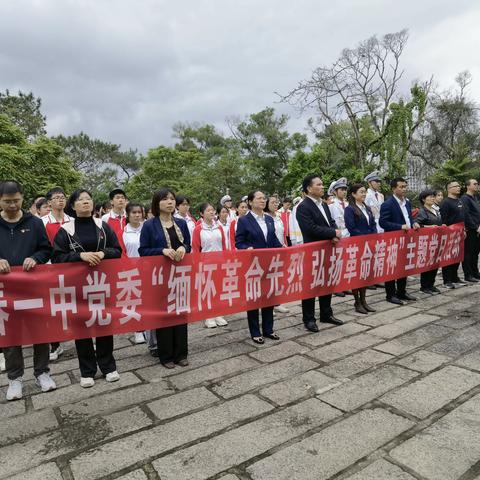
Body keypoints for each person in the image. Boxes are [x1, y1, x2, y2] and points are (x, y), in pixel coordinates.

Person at [52, 189, 122, 388]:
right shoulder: (65, 230)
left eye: (89, 199)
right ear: (72, 206)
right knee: (81, 328)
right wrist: (79, 256)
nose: (85, 202)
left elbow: (117, 251)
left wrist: (102, 253)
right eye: (81, 200)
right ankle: (87, 370)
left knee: (104, 325)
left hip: (101, 284)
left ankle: (108, 366)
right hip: (78, 287)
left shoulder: (103, 226)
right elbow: (57, 257)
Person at [0, 181, 56, 400]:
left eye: (16, 200)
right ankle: (15, 378)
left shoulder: (34, 223)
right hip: (5, 290)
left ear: (23, 198)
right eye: (7, 201)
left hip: (33, 287)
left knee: (40, 331)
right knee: (10, 334)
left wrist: (35, 258)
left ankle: (42, 372)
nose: (12, 205)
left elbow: (46, 249)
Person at [139, 188, 191, 369]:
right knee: (164, 315)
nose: (170, 202)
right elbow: (143, 250)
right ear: (157, 203)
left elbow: (188, 245)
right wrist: (161, 251)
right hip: (160, 277)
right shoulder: (149, 225)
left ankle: (181, 353)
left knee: (180, 313)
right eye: (165, 199)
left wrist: (184, 248)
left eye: (172, 199)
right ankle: (166, 355)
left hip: (180, 275)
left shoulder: (181, 223)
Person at [296, 174, 343, 332]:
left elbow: (331, 222)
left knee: (326, 282)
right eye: (319, 184)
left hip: (327, 250)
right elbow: (310, 229)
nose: (323, 187)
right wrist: (332, 233)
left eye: (323, 184)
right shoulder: (303, 207)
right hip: (312, 252)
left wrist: (334, 233)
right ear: (309, 188)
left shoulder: (323, 204)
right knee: (311, 286)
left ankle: (326, 313)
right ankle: (308, 318)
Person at [236, 191, 283, 344]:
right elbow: (239, 242)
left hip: (269, 264)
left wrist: (282, 247)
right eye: (259, 198)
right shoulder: (244, 220)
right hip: (253, 265)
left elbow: (273, 239)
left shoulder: (269, 219)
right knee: (254, 298)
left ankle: (269, 329)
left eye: (264, 198)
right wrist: (246, 248)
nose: (263, 200)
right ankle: (255, 331)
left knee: (269, 296)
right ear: (250, 202)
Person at [42, 187, 72, 361]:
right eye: (56, 198)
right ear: (49, 202)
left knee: (75, 302)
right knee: (52, 307)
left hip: (70, 267)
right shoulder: (42, 222)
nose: (60, 200)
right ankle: (55, 344)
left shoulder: (72, 220)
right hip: (49, 268)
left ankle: (85, 338)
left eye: (63, 197)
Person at [379, 177, 420, 305]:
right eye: (401, 187)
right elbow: (383, 222)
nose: (404, 189)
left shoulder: (407, 202)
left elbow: (408, 218)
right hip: (393, 240)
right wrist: (399, 227)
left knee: (404, 265)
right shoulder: (388, 204)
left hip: (406, 239)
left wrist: (414, 223)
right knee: (391, 267)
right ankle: (390, 294)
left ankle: (402, 291)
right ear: (393, 188)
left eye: (405, 186)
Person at [192, 202, 228, 328]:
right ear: (202, 214)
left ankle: (218, 313)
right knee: (207, 289)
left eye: (212, 210)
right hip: (205, 264)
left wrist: (225, 260)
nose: (212, 212)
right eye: (208, 211)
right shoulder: (198, 229)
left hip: (219, 263)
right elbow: (196, 249)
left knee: (218, 288)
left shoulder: (219, 228)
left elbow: (223, 245)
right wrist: (197, 265)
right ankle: (208, 316)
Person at [344, 183, 377, 314]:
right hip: (357, 245)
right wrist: (365, 238)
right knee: (357, 273)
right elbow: (351, 228)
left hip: (369, 245)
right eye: (361, 192)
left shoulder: (367, 208)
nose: (364, 194)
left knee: (365, 272)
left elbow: (373, 224)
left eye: (364, 192)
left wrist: (373, 236)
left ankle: (364, 300)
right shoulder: (350, 209)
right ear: (353, 194)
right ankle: (357, 301)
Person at [123, 202, 147, 344]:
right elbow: (122, 253)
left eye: (139, 212)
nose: (137, 215)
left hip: (148, 269)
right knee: (134, 300)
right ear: (128, 215)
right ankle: (138, 330)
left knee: (148, 300)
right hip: (131, 271)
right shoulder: (123, 232)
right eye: (134, 213)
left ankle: (149, 328)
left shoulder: (147, 229)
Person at [265, 195, 290, 314]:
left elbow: (283, 234)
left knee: (278, 278)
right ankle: (267, 304)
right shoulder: (264, 218)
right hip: (269, 252)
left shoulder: (279, 217)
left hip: (280, 250)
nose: (275, 204)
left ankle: (276, 302)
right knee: (268, 279)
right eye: (273, 202)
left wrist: (284, 245)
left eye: (277, 202)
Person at [416, 189, 444, 294]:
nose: (433, 198)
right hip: (427, 242)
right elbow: (417, 225)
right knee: (427, 263)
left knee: (435, 263)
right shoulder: (422, 211)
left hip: (437, 241)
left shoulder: (435, 210)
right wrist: (429, 226)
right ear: (423, 199)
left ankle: (431, 284)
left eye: (433, 196)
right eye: (430, 197)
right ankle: (424, 286)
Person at [440, 181, 467, 289]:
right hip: (449, 234)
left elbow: (462, 217)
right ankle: (447, 280)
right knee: (448, 257)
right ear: (449, 189)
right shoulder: (446, 202)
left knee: (457, 256)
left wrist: (464, 229)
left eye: (459, 186)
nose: (458, 188)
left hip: (459, 232)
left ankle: (455, 277)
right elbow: (444, 219)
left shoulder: (459, 201)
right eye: (456, 186)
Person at [460, 179, 480, 282]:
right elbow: (466, 215)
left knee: (475, 253)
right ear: (468, 186)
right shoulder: (464, 198)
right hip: (471, 230)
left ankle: (475, 272)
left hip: (477, 229)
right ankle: (468, 275)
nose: (477, 185)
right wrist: (475, 227)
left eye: (477, 184)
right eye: (475, 184)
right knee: (468, 253)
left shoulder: (475, 197)